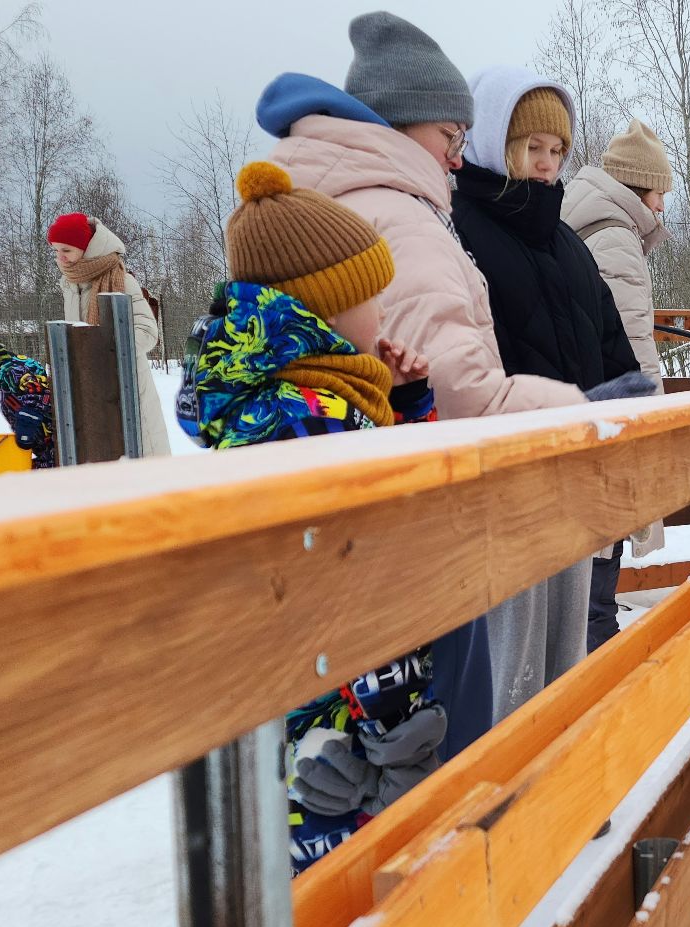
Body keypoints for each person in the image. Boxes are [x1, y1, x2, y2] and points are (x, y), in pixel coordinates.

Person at [257, 12, 586, 779]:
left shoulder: (362, 201)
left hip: (356, 533)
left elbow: (404, 375)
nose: (455, 155)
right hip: (422, 531)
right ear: (407, 129)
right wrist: (583, 409)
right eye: (448, 136)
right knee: (446, 740)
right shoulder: (397, 218)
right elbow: (461, 387)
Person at [177, 161, 446, 881]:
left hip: (327, 690)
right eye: (372, 299)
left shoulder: (311, 396)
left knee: (344, 842)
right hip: (334, 696)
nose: (383, 316)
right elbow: (361, 553)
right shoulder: (307, 414)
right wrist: (385, 712)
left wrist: (408, 399)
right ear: (323, 309)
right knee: (342, 854)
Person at [452, 65, 656, 715]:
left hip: (579, 476)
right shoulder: (459, 230)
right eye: (531, 147)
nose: (545, 165)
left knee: (570, 654)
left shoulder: (569, 243)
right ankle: (511, 800)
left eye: (557, 151)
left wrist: (629, 427)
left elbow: (613, 349)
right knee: (510, 670)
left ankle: (569, 792)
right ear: (492, 142)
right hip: (506, 484)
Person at [560, 118, 676, 650]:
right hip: (607, 422)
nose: (661, 207)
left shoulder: (585, 222)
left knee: (584, 575)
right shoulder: (615, 240)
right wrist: (651, 424)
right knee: (598, 576)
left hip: (576, 408)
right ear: (640, 188)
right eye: (659, 194)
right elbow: (633, 352)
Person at [46, 212, 174, 455]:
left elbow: (147, 332)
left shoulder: (121, 280)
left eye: (67, 250)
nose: (60, 258)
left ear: (86, 248)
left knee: (144, 464)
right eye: (55, 251)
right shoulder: (71, 285)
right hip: (90, 390)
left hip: (127, 388)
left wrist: (102, 351)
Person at [0, 340, 53, 468]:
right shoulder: (9, 376)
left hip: (52, 440)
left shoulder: (13, 371)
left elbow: (37, 392)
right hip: (44, 444)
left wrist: (26, 426)